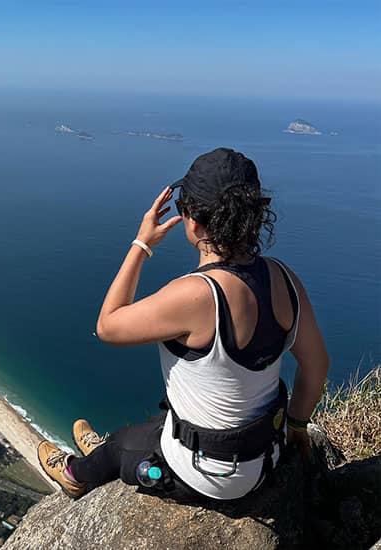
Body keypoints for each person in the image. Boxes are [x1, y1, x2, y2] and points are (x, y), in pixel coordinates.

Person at [38, 147, 329, 500]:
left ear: (192, 220)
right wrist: (297, 424)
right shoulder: (284, 278)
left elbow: (108, 325)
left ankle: (73, 474)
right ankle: (105, 450)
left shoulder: (197, 294)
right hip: (267, 454)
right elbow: (316, 367)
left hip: (212, 476)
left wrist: (142, 243)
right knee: (157, 425)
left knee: (119, 447)